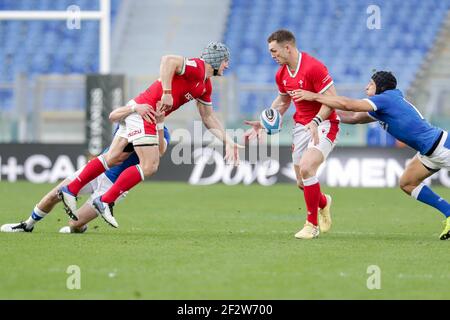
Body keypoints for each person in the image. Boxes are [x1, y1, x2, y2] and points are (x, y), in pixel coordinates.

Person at [59, 42, 241, 228]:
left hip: (144, 113)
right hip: (144, 112)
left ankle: (72, 189)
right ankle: (105, 200)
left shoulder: (205, 86)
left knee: (113, 157)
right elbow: (168, 60)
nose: (227, 65)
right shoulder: (197, 67)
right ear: (217, 59)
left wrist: (228, 141)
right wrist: (168, 93)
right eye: (226, 61)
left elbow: (208, 117)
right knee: (150, 165)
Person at [293, 70, 450, 240]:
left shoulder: (386, 99)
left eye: (371, 84)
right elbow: (354, 117)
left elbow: (349, 105)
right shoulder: (384, 104)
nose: (366, 86)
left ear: (380, 87)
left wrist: (314, 96)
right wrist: (323, 115)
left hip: (443, 147)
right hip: (430, 153)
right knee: (408, 183)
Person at [1, 104, 170, 233]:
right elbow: (113, 115)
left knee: (74, 224)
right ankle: (27, 225)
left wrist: (160, 125)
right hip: (97, 170)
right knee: (55, 194)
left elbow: (161, 151)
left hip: (113, 185)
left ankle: (80, 225)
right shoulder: (131, 118)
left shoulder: (161, 131)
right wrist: (134, 108)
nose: (152, 111)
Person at [245, 29, 339, 239]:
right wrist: (264, 122)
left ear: (287, 47)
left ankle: (311, 225)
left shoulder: (314, 67)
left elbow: (332, 101)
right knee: (301, 182)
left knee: (307, 168)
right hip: (301, 127)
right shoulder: (282, 74)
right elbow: (283, 101)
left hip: (324, 123)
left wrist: (316, 120)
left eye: (274, 51)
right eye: (270, 52)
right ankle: (324, 202)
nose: (272, 55)